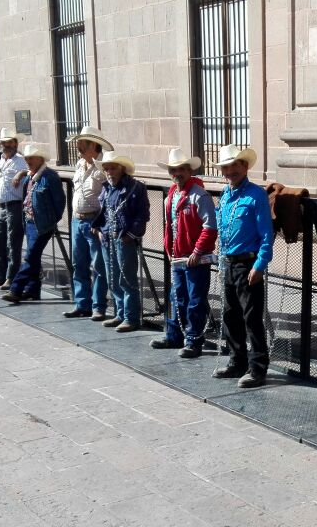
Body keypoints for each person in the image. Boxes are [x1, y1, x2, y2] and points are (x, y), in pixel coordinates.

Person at [211, 144, 273, 388]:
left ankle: (258, 368)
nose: (229, 171)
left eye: (234, 166)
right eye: (226, 167)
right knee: (230, 315)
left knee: (251, 318)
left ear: (244, 166)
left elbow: (266, 235)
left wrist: (260, 265)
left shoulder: (256, 195)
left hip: (248, 263)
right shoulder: (225, 195)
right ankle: (237, 361)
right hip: (228, 262)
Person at [151, 147, 217, 358]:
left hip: (195, 259)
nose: (176, 174)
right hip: (178, 257)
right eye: (173, 170)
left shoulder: (200, 195)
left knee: (195, 300)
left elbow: (210, 227)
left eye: (180, 170)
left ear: (189, 170)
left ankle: (194, 340)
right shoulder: (171, 195)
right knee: (176, 297)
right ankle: (174, 335)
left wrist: (197, 252)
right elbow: (169, 225)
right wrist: (167, 247)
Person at [91, 151, 150, 332]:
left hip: (124, 239)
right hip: (108, 238)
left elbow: (142, 215)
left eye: (113, 168)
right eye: (107, 168)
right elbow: (104, 211)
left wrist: (131, 235)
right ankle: (120, 313)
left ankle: (131, 317)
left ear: (122, 169)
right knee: (112, 278)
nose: (109, 171)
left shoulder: (135, 187)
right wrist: (100, 228)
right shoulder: (107, 188)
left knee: (127, 280)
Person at [0, 144, 65, 304]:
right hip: (29, 221)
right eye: (27, 158)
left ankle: (16, 288)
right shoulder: (30, 176)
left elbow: (59, 202)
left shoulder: (49, 176)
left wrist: (51, 221)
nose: (28, 161)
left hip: (42, 224)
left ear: (40, 159)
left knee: (29, 257)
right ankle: (32, 290)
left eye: (31, 158)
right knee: (33, 258)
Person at [63, 126, 113, 321]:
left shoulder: (102, 168)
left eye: (82, 142)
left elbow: (108, 197)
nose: (78, 146)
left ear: (93, 144)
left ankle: (98, 306)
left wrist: (101, 222)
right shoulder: (79, 165)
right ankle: (82, 303)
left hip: (94, 221)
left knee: (98, 265)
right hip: (78, 220)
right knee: (79, 264)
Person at [0, 128, 29, 289]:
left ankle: (11, 277)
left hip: (15, 205)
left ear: (16, 143)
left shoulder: (20, 160)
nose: (7, 145)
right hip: (1, 206)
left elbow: (31, 170)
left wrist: (21, 173)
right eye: (4, 143)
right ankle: (0, 274)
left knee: (13, 242)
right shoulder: (2, 159)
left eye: (10, 142)